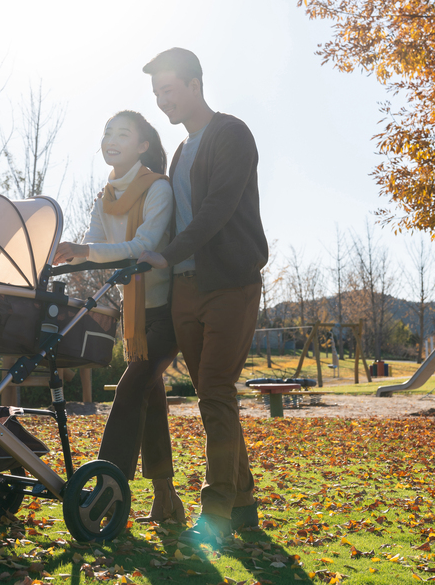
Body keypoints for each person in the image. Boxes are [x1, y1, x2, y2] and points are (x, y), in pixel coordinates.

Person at [137, 48, 269, 546]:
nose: (163, 101)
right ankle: (246, 504)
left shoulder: (231, 134)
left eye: (169, 90)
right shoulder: (180, 151)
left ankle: (214, 514)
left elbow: (216, 209)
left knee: (215, 391)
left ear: (194, 84)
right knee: (214, 399)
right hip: (185, 292)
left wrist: (168, 255)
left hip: (229, 284)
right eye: (156, 95)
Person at [53, 110, 185, 523]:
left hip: (168, 313)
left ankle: (107, 494)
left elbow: (142, 245)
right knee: (150, 397)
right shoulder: (104, 196)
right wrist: (59, 253)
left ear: (143, 145)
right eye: (108, 132)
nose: (111, 140)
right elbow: (92, 247)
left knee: (129, 391)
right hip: (135, 316)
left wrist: (86, 250)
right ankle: (166, 499)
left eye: (123, 134)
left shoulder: (157, 189)